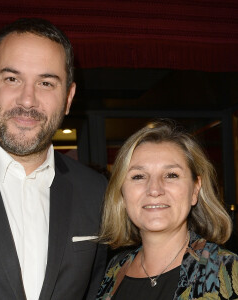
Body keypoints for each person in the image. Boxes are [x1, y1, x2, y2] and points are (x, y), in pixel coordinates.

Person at [0, 18, 107, 300]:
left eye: (45, 82)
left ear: (68, 97)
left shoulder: (96, 191)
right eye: (12, 79)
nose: (27, 100)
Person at [97, 119, 238, 299]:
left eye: (171, 175)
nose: (154, 189)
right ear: (122, 193)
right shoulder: (113, 270)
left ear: (195, 189)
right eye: (138, 176)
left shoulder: (228, 272)